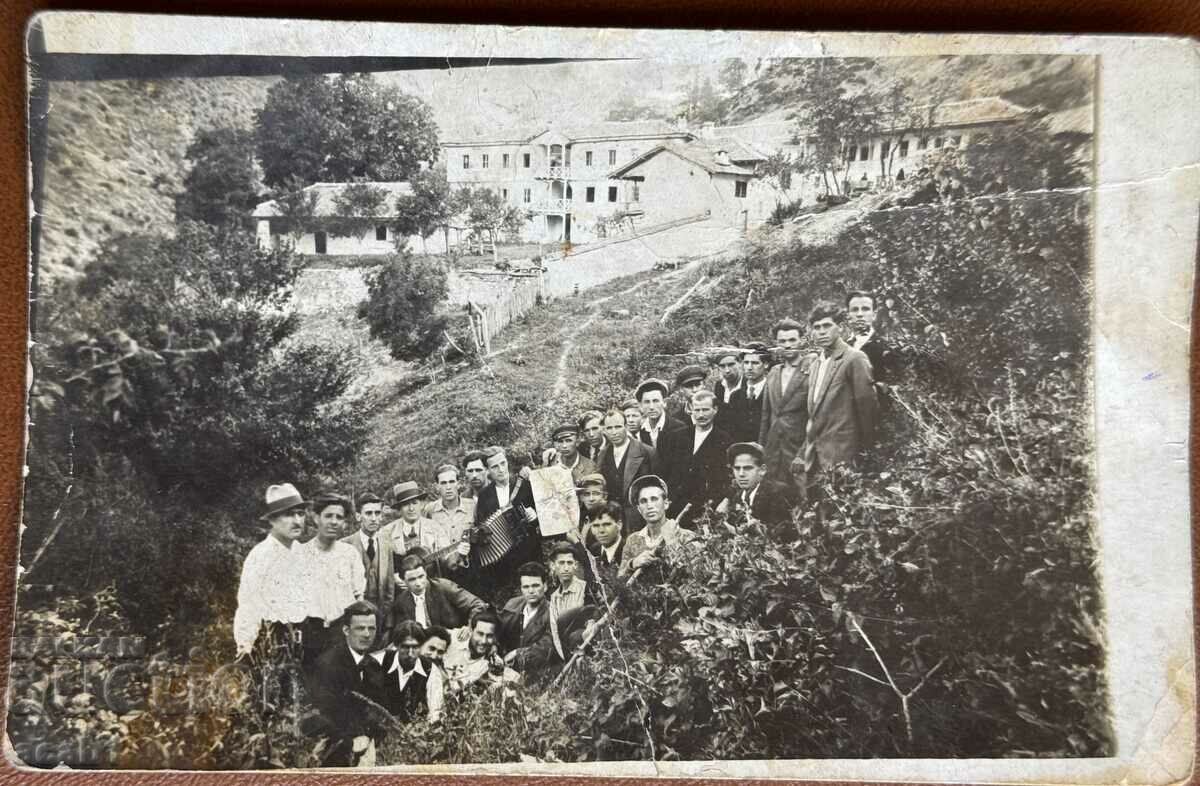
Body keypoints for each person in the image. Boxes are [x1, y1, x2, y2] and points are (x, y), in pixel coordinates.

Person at [800, 302, 879, 496]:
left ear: (841, 328)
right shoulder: (817, 363)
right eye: (816, 328)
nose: (821, 332)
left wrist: (865, 456)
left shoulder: (854, 358)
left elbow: (868, 410)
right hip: (815, 458)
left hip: (845, 458)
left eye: (827, 326)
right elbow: (815, 414)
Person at [305, 600, 388, 767]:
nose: (366, 634)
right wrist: (352, 742)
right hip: (334, 752)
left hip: (369, 750)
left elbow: (377, 709)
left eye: (371, 628)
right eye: (360, 628)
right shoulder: (327, 665)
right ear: (346, 630)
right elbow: (322, 714)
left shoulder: (373, 665)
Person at [233, 483, 311, 658]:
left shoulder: (301, 552)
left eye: (300, 514)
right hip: (271, 643)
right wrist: (245, 646)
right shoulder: (261, 556)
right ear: (272, 520)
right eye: (289, 515)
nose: (297, 521)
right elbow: (248, 605)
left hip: (303, 642)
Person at [298, 492, 367, 667]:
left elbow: (359, 598)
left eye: (339, 517)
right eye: (328, 516)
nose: (334, 522)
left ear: (344, 523)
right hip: (310, 633)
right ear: (316, 518)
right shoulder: (300, 555)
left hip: (341, 633)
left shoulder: (350, 554)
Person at [759, 318, 816, 489]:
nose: (788, 345)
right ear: (776, 344)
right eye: (782, 341)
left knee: (803, 502)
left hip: (798, 452)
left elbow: (817, 416)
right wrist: (761, 449)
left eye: (792, 340)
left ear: (802, 341)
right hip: (773, 452)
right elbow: (765, 415)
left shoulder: (812, 368)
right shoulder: (773, 373)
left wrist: (804, 453)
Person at [662, 389, 732, 526]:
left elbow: (725, 478)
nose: (701, 415)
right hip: (675, 506)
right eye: (697, 410)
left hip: (703, 509)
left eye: (705, 410)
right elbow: (667, 471)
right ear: (691, 410)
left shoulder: (724, 440)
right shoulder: (677, 437)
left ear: (715, 410)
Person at [340, 492, 397, 648]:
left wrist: (388, 624)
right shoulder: (345, 546)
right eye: (368, 513)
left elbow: (390, 589)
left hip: (380, 624)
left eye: (377, 513)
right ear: (359, 516)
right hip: (354, 625)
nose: (373, 518)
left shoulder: (386, 545)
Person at [619, 475, 698, 580]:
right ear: (639, 509)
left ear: (665, 504)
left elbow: (694, 575)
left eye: (654, 499)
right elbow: (619, 581)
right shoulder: (633, 540)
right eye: (643, 501)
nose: (649, 506)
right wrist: (633, 564)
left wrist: (671, 541)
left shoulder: (687, 536)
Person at [498, 562, 570, 673]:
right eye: (526, 587)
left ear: (545, 586)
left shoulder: (554, 611)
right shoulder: (512, 605)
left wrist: (517, 653)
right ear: (521, 589)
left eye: (535, 585)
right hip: (506, 668)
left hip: (538, 671)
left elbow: (547, 646)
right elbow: (498, 631)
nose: (531, 591)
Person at [597, 409, 659, 534]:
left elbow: (656, 488)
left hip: (638, 519)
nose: (614, 432)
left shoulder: (647, 452)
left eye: (618, 427)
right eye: (609, 428)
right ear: (604, 430)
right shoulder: (602, 454)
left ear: (626, 426)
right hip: (613, 519)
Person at [720, 442, 797, 540]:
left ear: (762, 470)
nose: (741, 474)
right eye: (737, 468)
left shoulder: (777, 493)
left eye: (747, 468)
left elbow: (781, 536)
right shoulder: (739, 496)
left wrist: (737, 532)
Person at [393, 553, 488, 631]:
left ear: (426, 573)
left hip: (452, 640)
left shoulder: (443, 587)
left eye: (421, 576)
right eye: (412, 580)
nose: (418, 583)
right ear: (403, 581)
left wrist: (469, 627)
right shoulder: (402, 601)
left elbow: (478, 604)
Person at [380, 621, 445, 724]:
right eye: (405, 647)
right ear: (396, 645)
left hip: (414, 733)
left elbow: (435, 713)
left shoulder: (431, 671)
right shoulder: (381, 660)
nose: (410, 654)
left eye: (415, 647)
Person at [444, 609, 521, 692]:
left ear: (495, 638)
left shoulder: (492, 661)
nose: (484, 641)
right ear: (471, 631)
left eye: (489, 636)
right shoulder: (453, 638)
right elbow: (429, 633)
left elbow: (517, 679)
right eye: (480, 634)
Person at [389, 481, 456, 573]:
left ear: (421, 505)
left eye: (414, 503)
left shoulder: (434, 527)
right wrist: (394, 578)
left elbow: (447, 557)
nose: (411, 508)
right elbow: (383, 564)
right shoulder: (388, 531)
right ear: (399, 508)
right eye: (405, 504)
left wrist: (457, 555)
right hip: (400, 584)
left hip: (431, 580)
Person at [845, 290, 896, 391]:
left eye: (865, 309)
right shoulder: (843, 347)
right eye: (855, 310)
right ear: (848, 315)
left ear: (874, 314)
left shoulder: (885, 346)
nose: (860, 314)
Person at [424, 464, 476, 545]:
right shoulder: (430, 510)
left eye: (452, 482)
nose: (448, 487)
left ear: (458, 484)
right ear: (437, 486)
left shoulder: (473, 506)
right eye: (443, 483)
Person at [635, 378, 686, 456]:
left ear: (664, 402)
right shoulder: (640, 431)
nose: (651, 407)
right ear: (640, 406)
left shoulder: (679, 427)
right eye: (647, 402)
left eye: (656, 401)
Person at [548, 542, 593, 616]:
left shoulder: (586, 589)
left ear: (575, 565)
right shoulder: (554, 597)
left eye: (569, 563)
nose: (566, 568)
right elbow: (554, 626)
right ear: (553, 565)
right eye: (561, 563)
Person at [738, 342, 770, 443]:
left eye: (755, 363)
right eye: (746, 362)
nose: (749, 367)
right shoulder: (735, 395)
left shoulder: (772, 393)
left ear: (766, 364)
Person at [586, 501, 626, 580]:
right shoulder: (592, 551)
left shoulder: (629, 549)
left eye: (607, 524)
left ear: (619, 525)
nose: (601, 530)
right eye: (595, 525)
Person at [711, 350, 746, 436]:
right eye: (722, 366)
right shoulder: (719, 386)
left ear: (740, 364)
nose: (727, 370)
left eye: (731, 365)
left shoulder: (748, 385)